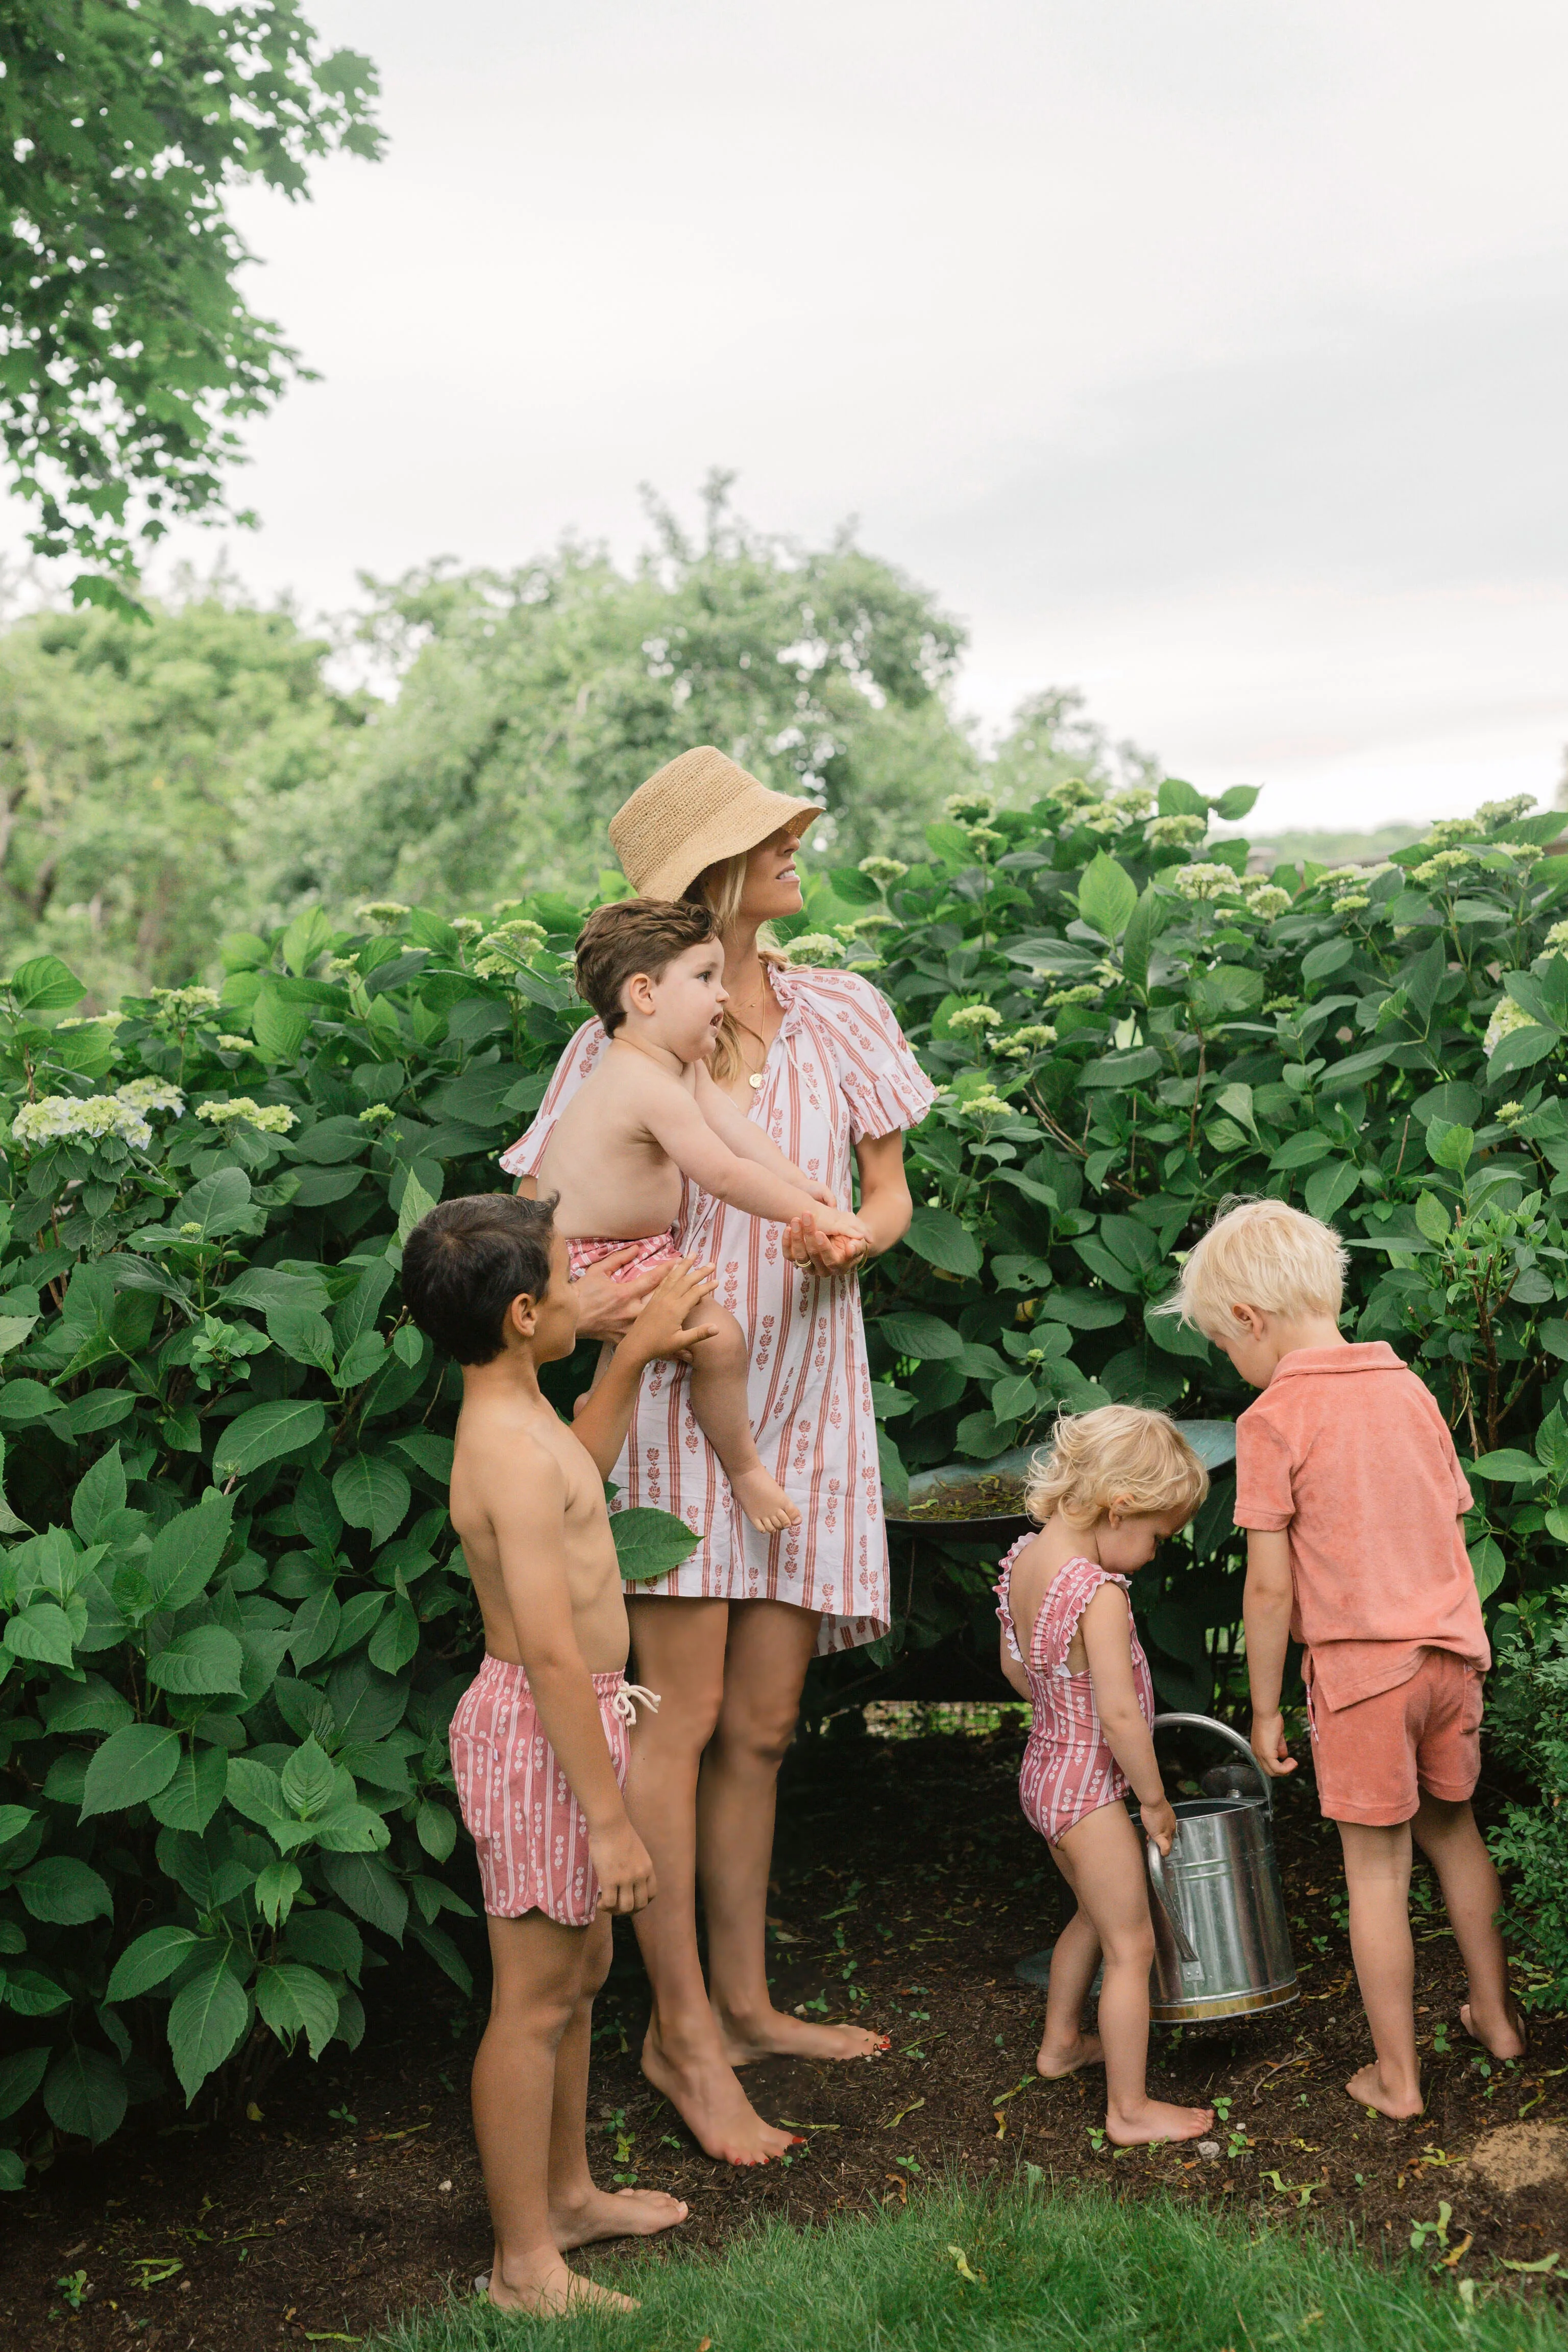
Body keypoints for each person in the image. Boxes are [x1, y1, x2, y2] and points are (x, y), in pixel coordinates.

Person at [502, 745, 934, 2166]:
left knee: (758, 1727)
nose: (802, 847)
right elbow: (548, 1219)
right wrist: (616, 1312)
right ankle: (679, 2032)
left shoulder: (841, 1011)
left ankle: (744, 2003)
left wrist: (860, 1234)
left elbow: (888, 1186)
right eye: (777, 839)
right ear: (715, 883)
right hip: (682, 1397)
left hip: (803, 1388)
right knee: (677, 1732)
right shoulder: (630, 1040)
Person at [401, 1192, 720, 2315]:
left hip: (574, 1722)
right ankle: (522, 2265)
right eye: (572, 1281)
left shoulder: (525, 1412)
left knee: (578, 1978)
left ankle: (569, 2196)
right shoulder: (502, 1453)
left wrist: (627, 1357)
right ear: (526, 1311)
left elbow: (584, 1480)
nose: (593, 1290)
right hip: (546, 1734)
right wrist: (612, 1819)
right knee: (533, 2001)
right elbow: (543, 1649)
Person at [1170, 1196, 1525, 2118]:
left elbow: (1268, 1590)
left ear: (1249, 1319)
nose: (1231, 1362)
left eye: (1222, 1342)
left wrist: (1263, 1705)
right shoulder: (1407, 1387)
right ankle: (1494, 2015)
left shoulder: (1272, 1419)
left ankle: (1396, 2079)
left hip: (1365, 1676)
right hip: (1451, 1652)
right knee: (1456, 1832)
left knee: (1376, 1872)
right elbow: (1450, 1518)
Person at [535, 896, 869, 1534]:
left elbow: (738, 1134)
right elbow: (721, 1173)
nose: (722, 996)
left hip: (630, 1249)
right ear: (644, 994)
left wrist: (806, 1183)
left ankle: (595, 1409)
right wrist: (818, 1217)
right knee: (722, 1341)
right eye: (704, 978)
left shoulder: (674, 1068)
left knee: (655, 1350)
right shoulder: (642, 1084)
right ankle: (745, 1469)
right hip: (598, 1257)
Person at [995, 1406, 1216, 2146]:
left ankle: (1062, 2045)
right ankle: (1129, 2110)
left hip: (1044, 1771)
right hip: (1088, 1789)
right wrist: (1153, 1800)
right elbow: (1121, 1721)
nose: (1154, 1553)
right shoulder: (1100, 1593)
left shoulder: (1025, 1560)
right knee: (1133, 1945)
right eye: (1156, 1535)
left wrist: (1063, 1708)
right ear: (1121, 1506)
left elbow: (1015, 1667)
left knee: (1094, 1916)